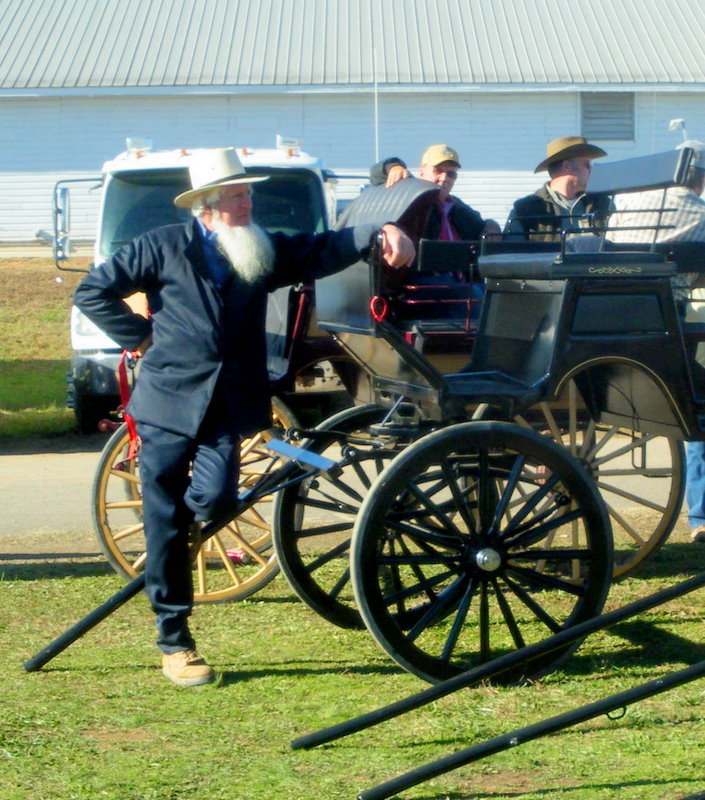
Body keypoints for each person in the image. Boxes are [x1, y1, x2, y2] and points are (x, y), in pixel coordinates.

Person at [73, 147, 415, 686]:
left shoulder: (258, 250)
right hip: (165, 404)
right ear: (207, 205)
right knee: (163, 516)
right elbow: (93, 290)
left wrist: (380, 232)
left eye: (248, 192)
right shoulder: (160, 246)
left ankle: (173, 542)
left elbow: (319, 249)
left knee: (214, 500)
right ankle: (175, 641)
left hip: (228, 407)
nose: (247, 201)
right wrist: (140, 337)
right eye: (237, 194)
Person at [607, 139, 705, 543]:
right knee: (698, 412)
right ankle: (701, 515)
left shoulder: (628, 203)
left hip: (608, 312)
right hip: (663, 324)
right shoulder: (697, 211)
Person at [367, 144, 501, 240]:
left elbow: (481, 224)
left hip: (461, 276)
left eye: (451, 174)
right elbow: (377, 175)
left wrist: (492, 226)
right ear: (421, 172)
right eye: (437, 170)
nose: (444, 178)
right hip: (424, 276)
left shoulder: (456, 205)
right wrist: (393, 167)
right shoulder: (410, 197)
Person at [504, 136, 611, 242]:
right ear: (567, 166)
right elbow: (512, 254)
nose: (592, 171)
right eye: (587, 165)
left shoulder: (602, 204)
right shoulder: (525, 210)